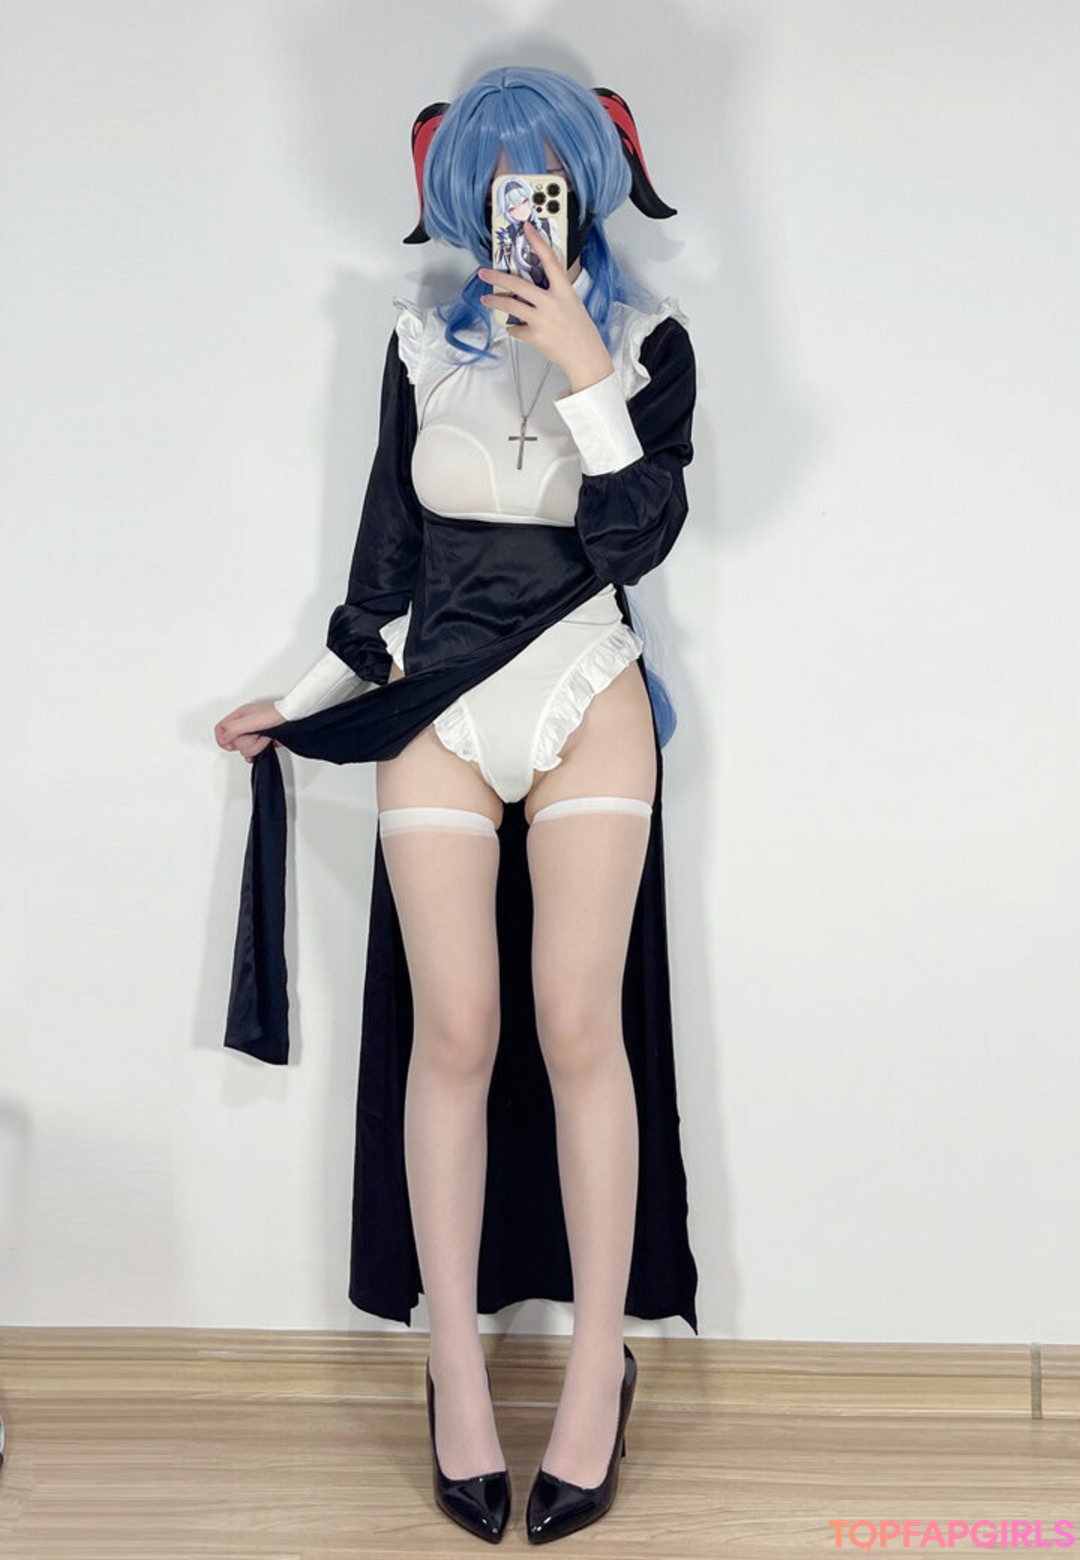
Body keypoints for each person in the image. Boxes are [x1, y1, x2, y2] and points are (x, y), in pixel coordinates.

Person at [214, 65, 698, 1545]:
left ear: (586, 187)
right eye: (495, 184)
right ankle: (456, 1370)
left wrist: (587, 366)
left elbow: (638, 537)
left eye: (541, 179)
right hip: (440, 700)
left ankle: (600, 1367)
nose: (519, 207)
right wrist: (299, 699)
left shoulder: (651, 347)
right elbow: (381, 568)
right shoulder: (419, 349)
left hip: (586, 688)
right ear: (459, 195)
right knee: (457, 1033)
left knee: (578, 1027)